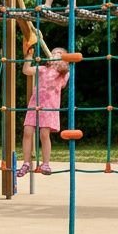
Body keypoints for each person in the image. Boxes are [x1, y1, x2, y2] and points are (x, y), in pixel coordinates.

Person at [16, 45, 71, 177]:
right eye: (53, 53)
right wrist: (29, 57)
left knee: (44, 134)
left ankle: (46, 163)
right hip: (35, 104)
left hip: (49, 106)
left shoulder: (63, 73)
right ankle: (26, 163)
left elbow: (64, 81)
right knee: (27, 131)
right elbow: (26, 70)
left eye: (58, 53)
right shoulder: (43, 69)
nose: (54, 54)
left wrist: (59, 63)